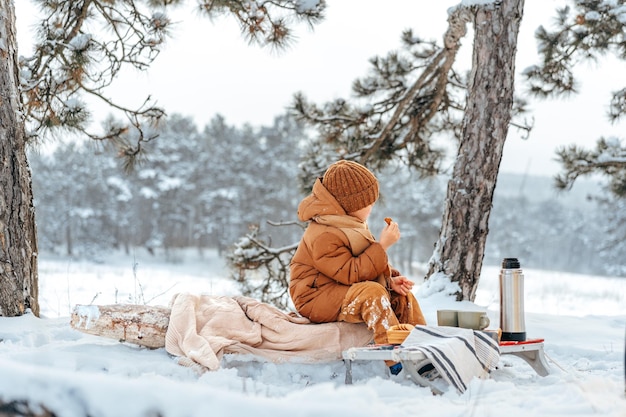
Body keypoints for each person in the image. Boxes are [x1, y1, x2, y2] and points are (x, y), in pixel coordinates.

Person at [289, 160, 427, 375]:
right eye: (367, 203)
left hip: (341, 288)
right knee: (372, 293)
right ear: (350, 204)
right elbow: (350, 272)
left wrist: (389, 281)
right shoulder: (324, 233)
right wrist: (382, 246)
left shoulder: (349, 223)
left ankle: (423, 346)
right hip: (315, 296)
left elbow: (360, 266)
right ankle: (395, 360)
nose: (372, 207)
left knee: (401, 296)